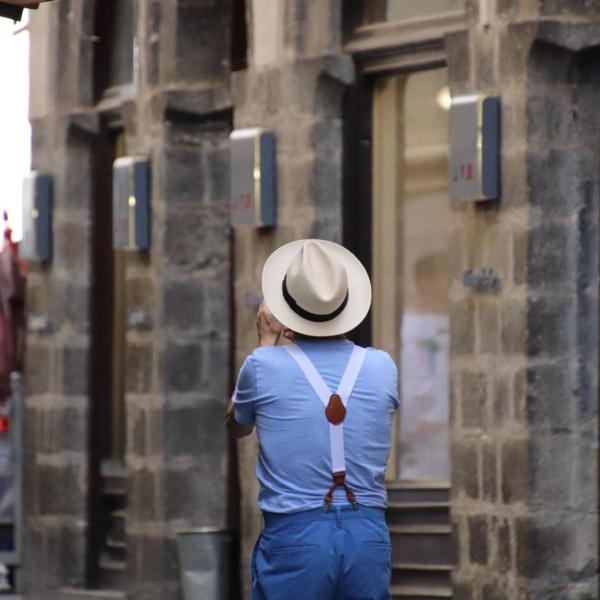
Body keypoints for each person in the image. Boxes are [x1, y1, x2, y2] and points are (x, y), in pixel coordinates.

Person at [226, 239, 399, 600]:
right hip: (367, 533)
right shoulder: (382, 366)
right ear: (346, 306)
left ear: (288, 314)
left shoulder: (263, 365)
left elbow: (237, 425)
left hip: (296, 535)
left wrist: (266, 341)